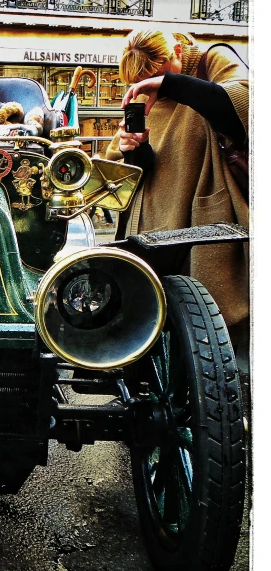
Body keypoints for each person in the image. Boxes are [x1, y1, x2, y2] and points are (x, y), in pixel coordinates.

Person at [104, 30, 249, 344]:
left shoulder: (212, 60)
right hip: (152, 226)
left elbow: (245, 104)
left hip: (203, 218)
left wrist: (170, 84)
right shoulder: (145, 89)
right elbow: (126, 167)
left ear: (178, 51)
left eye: (158, 75)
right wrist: (135, 148)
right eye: (145, 79)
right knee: (150, 318)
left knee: (208, 326)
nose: (152, 84)